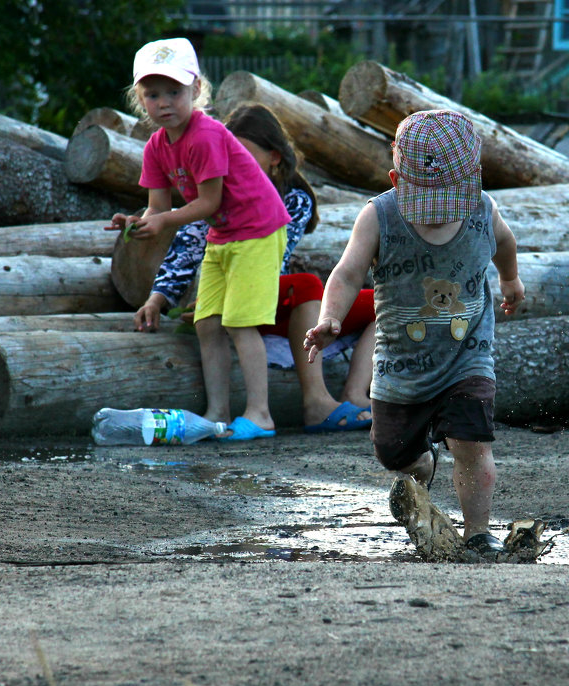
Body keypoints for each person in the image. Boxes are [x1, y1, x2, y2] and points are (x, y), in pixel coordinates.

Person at [304, 109, 524, 557]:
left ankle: (478, 533)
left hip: (468, 354)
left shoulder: (484, 209)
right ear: (396, 180)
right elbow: (346, 274)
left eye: (449, 204)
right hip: (400, 365)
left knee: (472, 443)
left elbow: (504, 242)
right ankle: (424, 460)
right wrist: (331, 317)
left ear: (476, 180)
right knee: (393, 453)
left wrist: (510, 280)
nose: (437, 216)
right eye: (428, 205)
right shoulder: (379, 217)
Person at [130, 102, 377, 433]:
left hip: (260, 291)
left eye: (243, 154)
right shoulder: (215, 186)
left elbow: (273, 260)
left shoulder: (292, 198)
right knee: (291, 291)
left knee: (364, 299)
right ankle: (237, 410)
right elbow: (186, 245)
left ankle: (350, 394)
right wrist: (158, 298)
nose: (232, 162)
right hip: (247, 297)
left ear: (274, 157)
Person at [106, 38, 290, 441]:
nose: (164, 102)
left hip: (258, 228)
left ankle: (260, 414)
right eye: (152, 94)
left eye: (174, 91)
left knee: (242, 323)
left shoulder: (205, 134)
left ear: (196, 90)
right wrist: (135, 223)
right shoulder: (156, 146)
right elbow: (157, 208)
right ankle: (217, 412)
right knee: (206, 322)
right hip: (224, 234)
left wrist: (165, 218)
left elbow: (209, 201)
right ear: (140, 99)